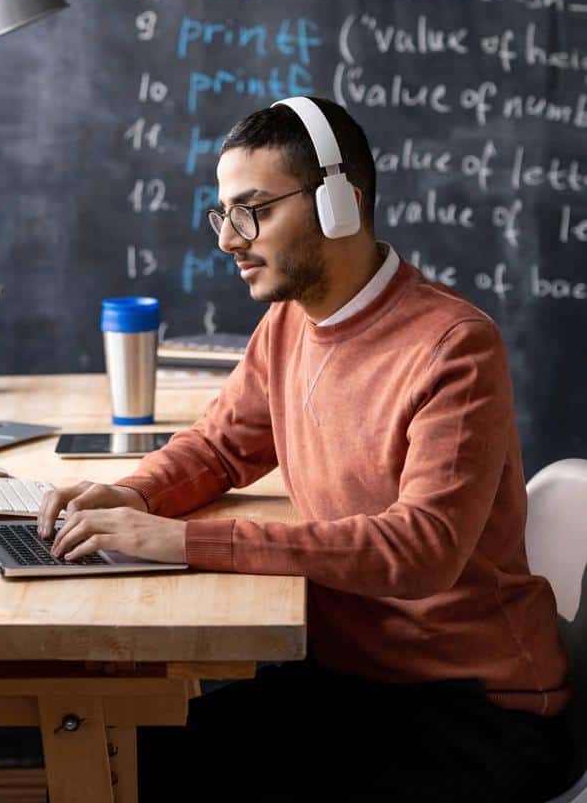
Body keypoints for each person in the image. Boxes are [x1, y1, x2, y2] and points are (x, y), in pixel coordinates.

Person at [37, 95, 576, 802]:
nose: (228, 239)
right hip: (350, 680)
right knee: (131, 765)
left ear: (338, 204)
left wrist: (177, 540)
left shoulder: (453, 347)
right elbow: (220, 447)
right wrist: (134, 494)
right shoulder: (289, 324)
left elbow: (420, 550)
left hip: (473, 708)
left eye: (252, 209)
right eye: (223, 214)